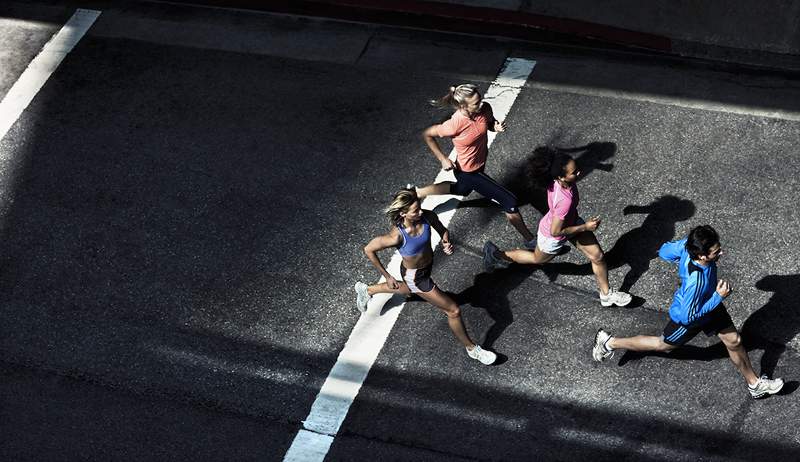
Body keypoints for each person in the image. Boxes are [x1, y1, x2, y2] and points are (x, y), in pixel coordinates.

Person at [592, 225, 784, 399]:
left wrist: (685, 255)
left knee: (734, 341)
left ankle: (755, 384)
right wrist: (718, 297)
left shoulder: (687, 247)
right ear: (702, 256)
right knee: (664, 345)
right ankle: (610, 343)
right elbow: (687, 317)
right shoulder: (696, 282)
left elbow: (665, 252)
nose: (721, 253)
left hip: (709, 303)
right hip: (691, 315)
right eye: (716, 252)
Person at [354, 187, 497, 365]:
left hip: (426, 268)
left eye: (419, 207)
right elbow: (369, 249)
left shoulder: (427, 216)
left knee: (408, 290)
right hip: (416, 277)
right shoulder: (396, 236)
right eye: (415, 210)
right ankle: (472, 349)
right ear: (403, 213)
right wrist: (387, 276)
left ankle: (368, 289)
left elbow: (442, 230)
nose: (420, 211)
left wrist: (446, 242)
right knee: (453, 310)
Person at [483, 147, 632, 307]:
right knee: (536, 259)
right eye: (574, 172)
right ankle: (495, 254)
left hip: (571, 222)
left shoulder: (557, 180)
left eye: (577, 169)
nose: (579, 173)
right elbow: (556, 231)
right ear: (561, 177)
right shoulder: (564, 201)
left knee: (598, 257)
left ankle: (606, 295)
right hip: (552, 235)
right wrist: (585, 227)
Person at [415, 84, 536, 247]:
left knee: (462, 190)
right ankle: (530, 240)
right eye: (475, 103)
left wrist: (495, 127)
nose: (480, 104)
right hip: (467, 171)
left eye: (480, 99)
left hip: (479, 163)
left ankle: (419, 192)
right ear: (463, 106)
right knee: (509, 200)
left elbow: (489, 123)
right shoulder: (454, 124)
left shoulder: (484, 108)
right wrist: (442, 158)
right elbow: (427, 134)